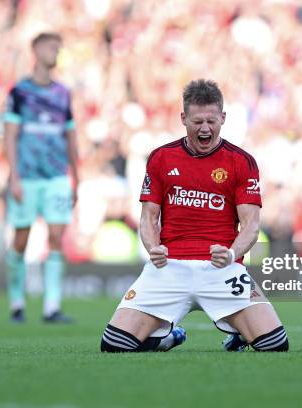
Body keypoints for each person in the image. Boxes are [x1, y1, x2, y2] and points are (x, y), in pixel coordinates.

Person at [100, 79, 288, 352]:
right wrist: (153, 249)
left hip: (222, 269)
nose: (205, 128)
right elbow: (148, 217)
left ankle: (238, 333)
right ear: (183, 118)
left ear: (223, 118)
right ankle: (166, 338)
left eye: (212, 121)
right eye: (197, 121)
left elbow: (251, 224)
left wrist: (232, 254)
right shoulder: (161, 158)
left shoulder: (241, 161)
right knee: (114, 346)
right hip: (169, 268)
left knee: (274, 345)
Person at [3, 32, 79, 323]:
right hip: (28, 176)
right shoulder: (19, 92)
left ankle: (52, 306)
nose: (55, 52)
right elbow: (10, 136)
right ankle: (17, 302)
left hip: (57, 176)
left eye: (58, 48)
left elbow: (71, 136)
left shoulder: (63, 93)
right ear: (34, 50)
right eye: (50, 47)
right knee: (21, 240)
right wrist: (14, 176)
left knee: (57, 237)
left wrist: (77, 177)